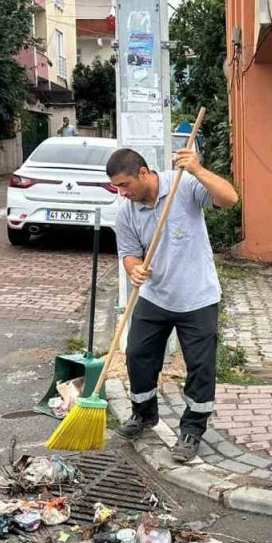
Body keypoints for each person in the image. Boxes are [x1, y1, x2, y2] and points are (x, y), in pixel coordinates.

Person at [107, 146, 239, 462]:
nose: (122, 193)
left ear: (142, 172)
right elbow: (128, 253)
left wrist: (197, 169)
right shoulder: (127, 211)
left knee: (200, 366)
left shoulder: (183, 183)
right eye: (117, 187)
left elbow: (230, 199)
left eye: (124, 185)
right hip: (155, 297)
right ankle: (144, 413)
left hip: (197, 297)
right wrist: (134, 268)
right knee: (138, 354)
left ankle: (192, 429)